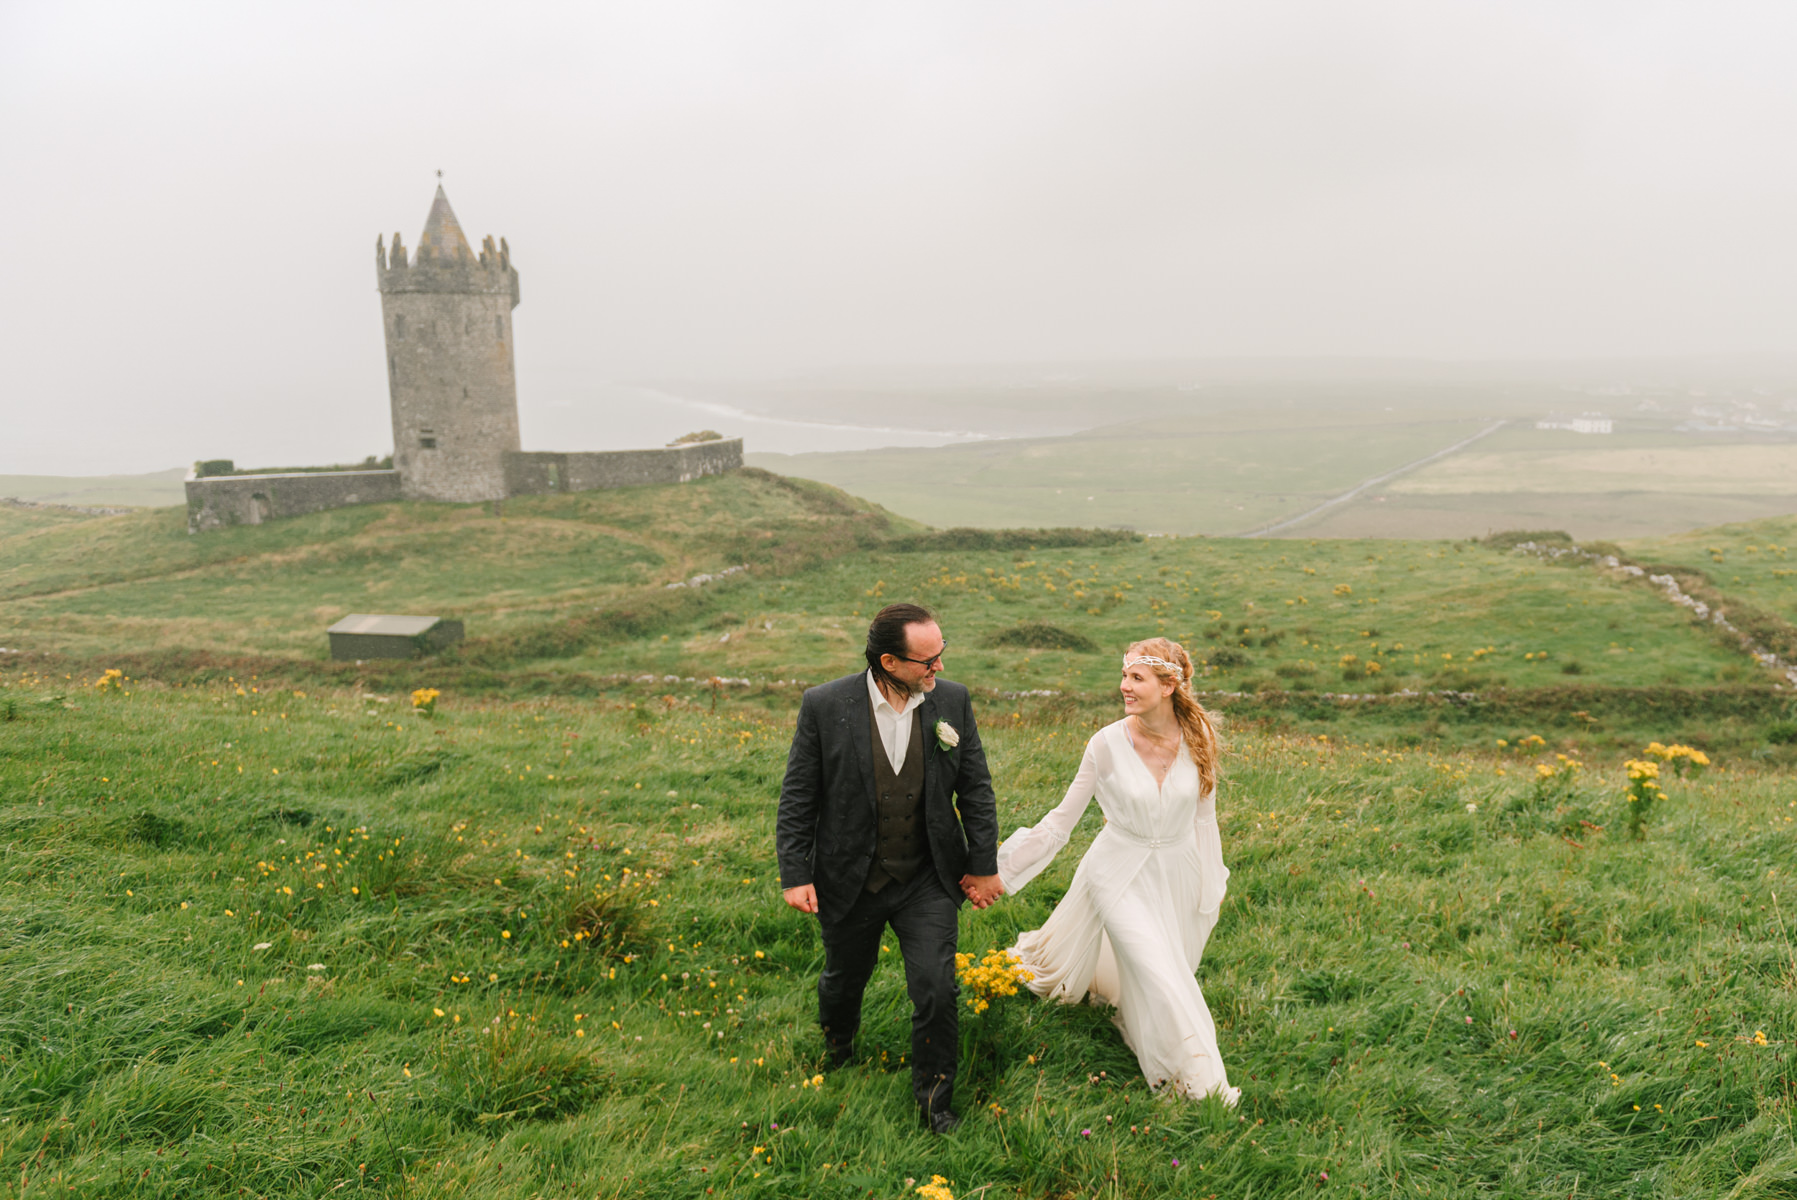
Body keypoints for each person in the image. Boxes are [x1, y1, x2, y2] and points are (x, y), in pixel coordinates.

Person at [775, 603, 1004, 1133]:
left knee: (936, 986)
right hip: (847, 876)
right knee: (843, 977)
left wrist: (983, 864)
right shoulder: (825, 705)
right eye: (927, 661)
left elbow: (976, 788)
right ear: (888, 661)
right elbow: (798, 797)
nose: (938, 668)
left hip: (926, 877)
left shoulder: (952, 701)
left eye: (941, 654)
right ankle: (839, 1045)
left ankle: (935, 1103)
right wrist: (796, 873)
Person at [994, 637, 1238, 1103]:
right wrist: (1000, 871)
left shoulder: (1198, 735)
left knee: (1168, 971)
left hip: (1178, 870)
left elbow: (1205, 817)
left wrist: (1212, 878)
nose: (1124, 686)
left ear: (1169, 686)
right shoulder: (1105, 744)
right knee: (1160, 975)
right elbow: (1061, 823)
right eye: (1124, 675)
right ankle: (1195, 1087)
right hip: (1117, 872)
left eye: (1136, 677)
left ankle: (1143, 1024)